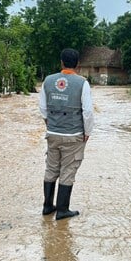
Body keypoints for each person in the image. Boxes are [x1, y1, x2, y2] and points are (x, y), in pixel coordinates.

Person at [39, 48, 94, 220]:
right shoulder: (82, 83)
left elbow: (42, 107)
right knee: (68, 170)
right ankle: (62, 210)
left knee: (51, 168)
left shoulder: (48, 81)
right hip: (73, 134)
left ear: (61, 62)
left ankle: (48, 206)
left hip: (52, 133)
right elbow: (87, 111)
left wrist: (49, 124)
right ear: (78, 64)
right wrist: (87, 131)